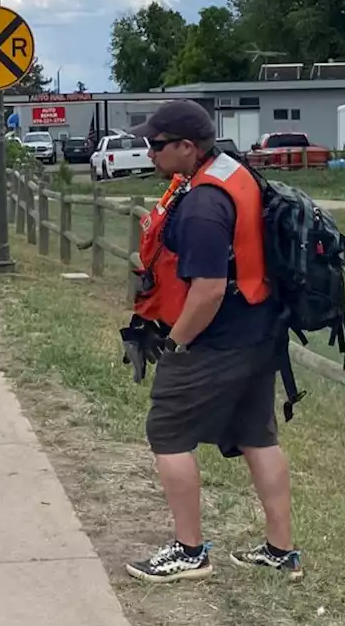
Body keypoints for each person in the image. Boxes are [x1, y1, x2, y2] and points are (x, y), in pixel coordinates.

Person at [120, 100, 303, 584]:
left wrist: (175, 345)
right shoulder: (233, 173)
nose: (150, 152)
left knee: (167, 432)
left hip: (218, 337)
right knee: (256, 435)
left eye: (157, 145)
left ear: (187, 147)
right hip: (260, 330)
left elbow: (208, 290)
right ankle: (281, 551)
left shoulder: (202, 204)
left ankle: (189, 551)